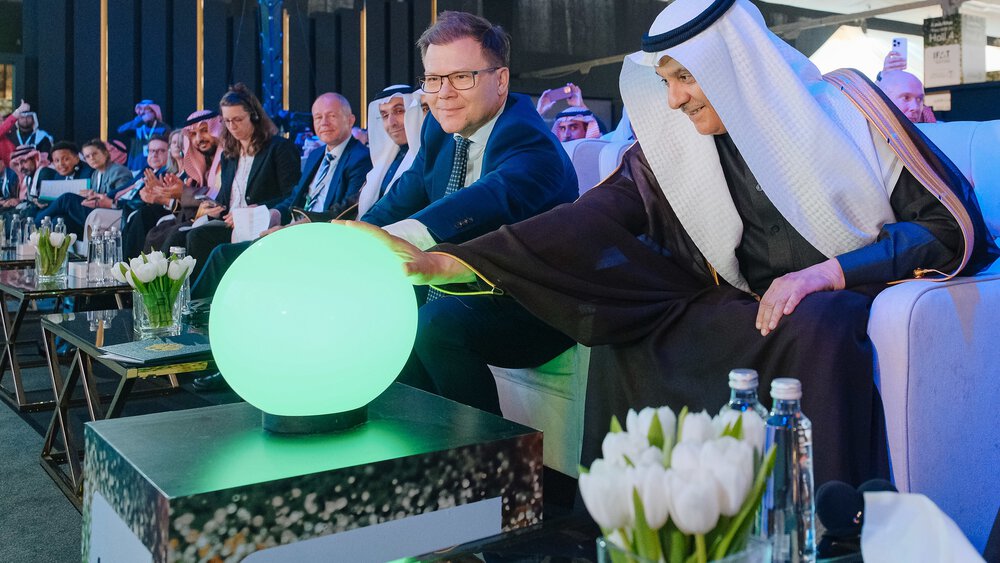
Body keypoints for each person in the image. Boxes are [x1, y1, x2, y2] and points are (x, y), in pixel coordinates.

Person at [351, 0, 997, 489]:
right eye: (666, 80)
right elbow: (590, 217)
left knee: (820, 322)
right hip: (740, 302)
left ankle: (817, 521)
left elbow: (947, 229)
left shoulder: (847, 114)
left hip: (832, 297)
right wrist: (455, 261)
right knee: (625, 325)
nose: (675, 99)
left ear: (735, 68)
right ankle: (635, 507)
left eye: (686, 77)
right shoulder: (677, 147)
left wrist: (827, 273)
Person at [360, 11, 579, 400]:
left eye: (462, 77)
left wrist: (400, 237)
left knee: (433, 326)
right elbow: (405, 195)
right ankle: (418, 439)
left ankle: (484, 457)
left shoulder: (531, 140)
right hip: (454, 282)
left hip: (529, 299)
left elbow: (493, 196)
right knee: (381, 311)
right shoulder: (439, 129)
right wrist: (349, 238)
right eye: (433, 79)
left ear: (501, 80)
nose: (443, 93)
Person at [190, 92, 372, 392]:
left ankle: (203, 337)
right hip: (291, 229)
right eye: (317, 117)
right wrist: (274, 214)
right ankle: (203, 334)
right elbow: (292, 199)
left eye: (331, 115)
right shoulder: (316, 156)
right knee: (214, 248)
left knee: (226, 256)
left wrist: (300, 225)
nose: (323, 122)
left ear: (351, 120)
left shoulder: (359, 157)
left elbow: (350, 207)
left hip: (322, 237)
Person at [182, 84, 300, 280]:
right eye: (227, 121)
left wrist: (255, 210)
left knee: (199, 239)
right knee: (180, 236)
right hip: (232, 223)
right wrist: (213, 207)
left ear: (253, 116)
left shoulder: (279, 148)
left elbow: (292, 194)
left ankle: (201, 300)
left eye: (237, 119)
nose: (232, 126)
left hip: (260, 223)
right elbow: (226, 199)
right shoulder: (229, 155)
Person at [35, 137, 167, 238]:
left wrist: (105, 199)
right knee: (60, 219)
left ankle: (35, 224)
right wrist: (95, 195)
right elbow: (119, 193)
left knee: (67, 199)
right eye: (87, 156)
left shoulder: (118, 171)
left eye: (95, 154)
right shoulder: (96, 174)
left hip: (117, 211)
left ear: (105, 153)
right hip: (103, 206)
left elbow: (123, 196)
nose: (91, 158)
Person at [141, 110, 225, 252]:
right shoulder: (199, 170)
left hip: (219, 222)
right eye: (193, 134)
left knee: (175, 235)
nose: (199, 138)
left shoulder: (225, 163)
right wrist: (171, 196)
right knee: (156, 232)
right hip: (197, 221)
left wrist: (182, 193)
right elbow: (190, 212)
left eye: (204, 131)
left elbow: (220, 203)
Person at [356, 84, 425, 217]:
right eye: (384, 115)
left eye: (399, 111)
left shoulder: (423, 157)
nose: (391, 122)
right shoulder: (388, 159)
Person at [117, 99, 170, 170]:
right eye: (140, 109)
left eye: (146, 110)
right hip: (137, 166)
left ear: (154, 112)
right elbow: (121, 130)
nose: (142, 112)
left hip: (157, 166)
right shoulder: (136, 127)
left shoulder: (163, 127)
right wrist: (141, 121)